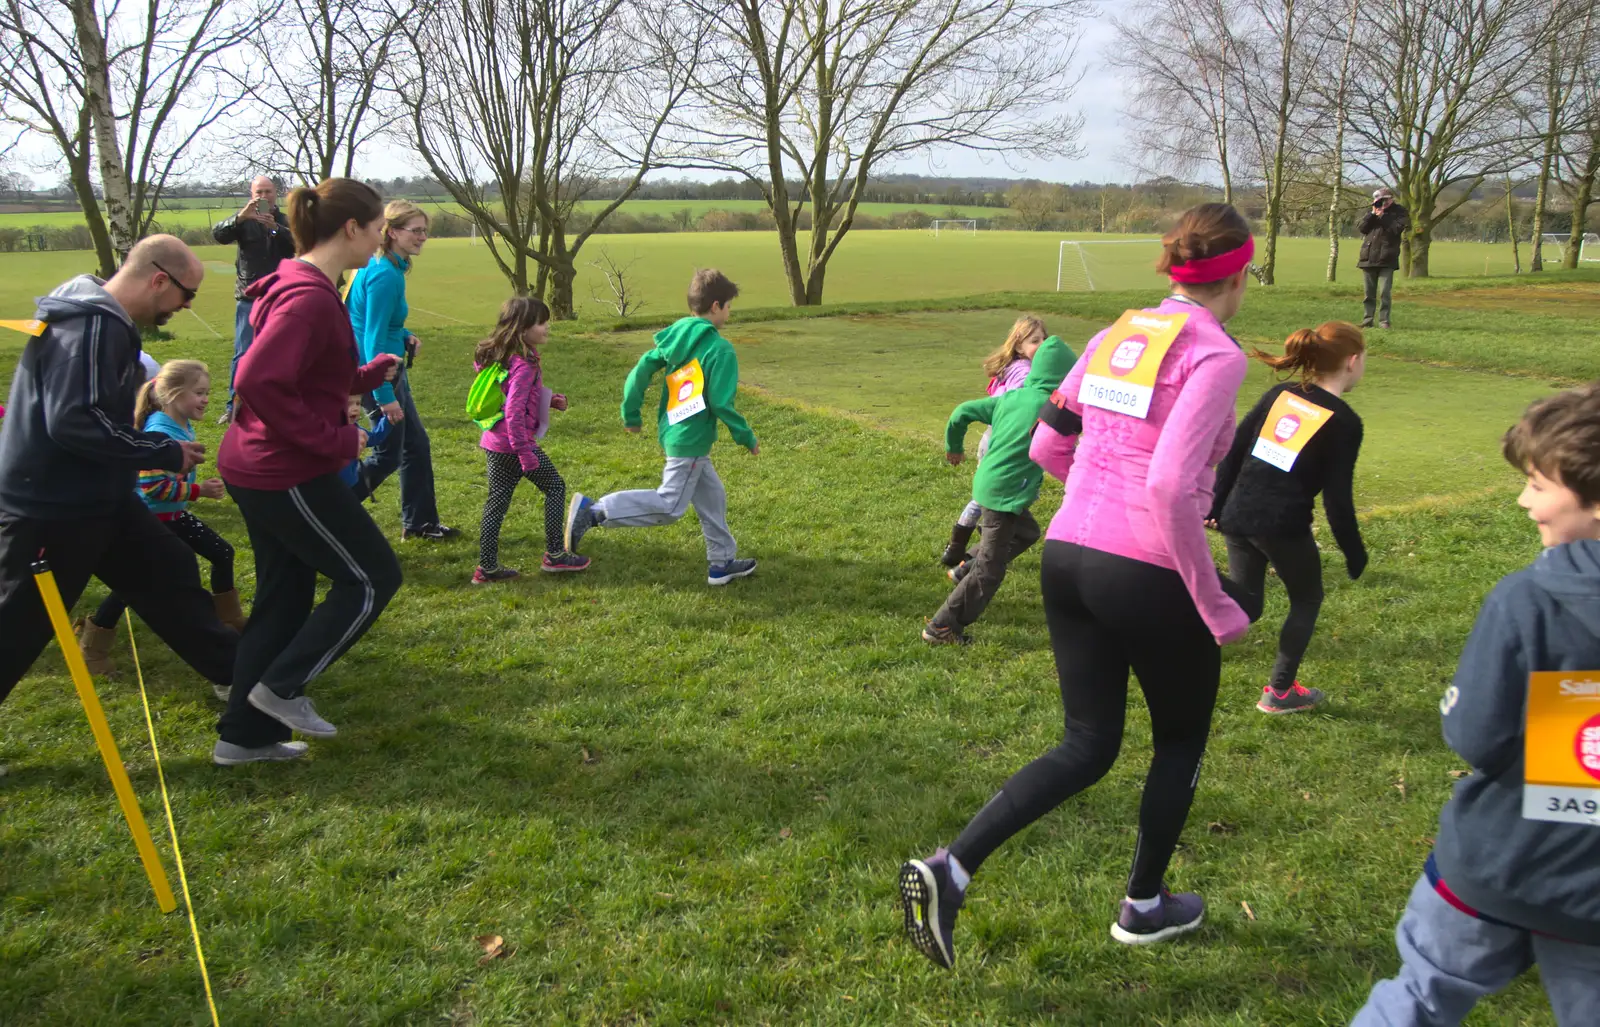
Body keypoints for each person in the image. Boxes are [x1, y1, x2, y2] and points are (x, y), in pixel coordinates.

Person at [898, 203, 1263, 969]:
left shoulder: (1113, 334)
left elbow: (1048, 442)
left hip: (1068, 553)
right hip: (1151, 568)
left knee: (1089, 742)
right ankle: (1144, 903)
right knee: (1180, 741)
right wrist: (1214, 597)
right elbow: (1168, 487)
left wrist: (1096, 505)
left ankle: (950, 869)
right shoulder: (1217, 354)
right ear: (1239, 273)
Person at [1351, 386, 1600, 1027]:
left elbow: (1476, 736)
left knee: (1421, 996)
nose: (1523, 499)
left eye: (1540, 485)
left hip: (1499, 865)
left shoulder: (1528, 600)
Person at [0, 236, 237, 733]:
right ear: (158, 279)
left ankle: (236, 677)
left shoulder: (100, 318)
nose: (188, 305)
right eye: (186, 294)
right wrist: (162, 450)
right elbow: (74, 421)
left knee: (169, 567)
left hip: (99, 498)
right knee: (20, 623)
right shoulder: (91, 324)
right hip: (51, 504)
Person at [215, 177, 404, 767]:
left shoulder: (299, 282)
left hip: (259, 465)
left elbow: (304, 375)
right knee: (372, 578)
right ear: (352, 229)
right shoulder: (310, 295)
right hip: (284, 470)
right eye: (377, 230)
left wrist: (368, 375)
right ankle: (283, 688)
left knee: (284, 599)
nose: (379, 241)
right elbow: (256, 380)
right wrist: (336, 439)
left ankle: (241, 738)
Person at [1209, 322, 1369, 714]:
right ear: (1352, 361)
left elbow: (1234, 452)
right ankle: (1280, 693)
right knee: (1307, 597)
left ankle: (1180, 593)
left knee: (1247, 605)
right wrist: (1355, 553)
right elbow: (1338, 501)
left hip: (1238, 513)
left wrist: (1215, 505)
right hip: (1281, 524)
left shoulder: (1281, 394)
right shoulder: (1345, 422)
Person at [564, 269, 759, 586]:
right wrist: (746, 436)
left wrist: (631, 413)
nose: (729, 312)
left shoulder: (674, 337)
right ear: (715, 306)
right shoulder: (719, 349)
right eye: (728, 306)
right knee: (670, 506)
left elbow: (640, 371)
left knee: (713, 496)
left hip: (673, 431)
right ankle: (596, 511)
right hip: (691, 439)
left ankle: (722, 563)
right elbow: (722, 403)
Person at [77, 360, 246, 684]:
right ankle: (93, 647)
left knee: (221, 553)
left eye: (207, 392)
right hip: (152, 521)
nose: (206, 399)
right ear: (171, 394)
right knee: (133, 588)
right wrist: (199, 491)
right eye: (199, 393)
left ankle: (230, 623)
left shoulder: (178, 423)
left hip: (174, 515)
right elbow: (151, 486)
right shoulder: (159, 431)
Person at [923, 335, 1077, 645]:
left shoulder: (1012, 398)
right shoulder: (1051, 407)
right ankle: (942, 627)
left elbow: (961, 412)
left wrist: (954, 447)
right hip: (1004, 495)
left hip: (987, 483)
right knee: (990, 573)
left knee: (1026, 532)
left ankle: (965, 567)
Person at [348, 200, 457, 540]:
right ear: (392, 232)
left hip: (388, 369)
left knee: (415, 447)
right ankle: (328, 513)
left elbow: (371, 321)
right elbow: (372, 338)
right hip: (379, 376)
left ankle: (420, 522)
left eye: (425, 230)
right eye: (416, 230)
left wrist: (405, 335)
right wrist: (383, 396)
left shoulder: (385, 266)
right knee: (387, 454)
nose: (423, 237)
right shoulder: (383, 274)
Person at [470, 297, 588, 583]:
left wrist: (551, 400)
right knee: (556, 488)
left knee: (496, 502)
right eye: (541, 322)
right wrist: (525, 452)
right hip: (516, 445)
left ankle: (486, 568)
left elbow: (513, 398)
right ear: (523, 329)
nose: (547, 327)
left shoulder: (505, 358)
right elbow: (513, 411)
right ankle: (555, 556)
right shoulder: (524, 365)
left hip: (494, 442)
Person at [940, 316, 1046, 567]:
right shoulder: (1025, 373)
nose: (1042, 344)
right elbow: (1018, 406)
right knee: (996, 501)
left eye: (1044, 339)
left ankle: (957, 549)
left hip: (992, 440)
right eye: (1034, 341)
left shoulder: (1011, 367)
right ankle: (973, 552)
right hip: (1004, 443)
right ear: (1019, 346)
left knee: (982, 499)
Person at [213, 175, 294, 423]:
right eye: (259, 192)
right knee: (244, 352)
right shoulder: (243, 220)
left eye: (268, 192)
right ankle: (233, 406)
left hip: (280, 295)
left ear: (276, 193)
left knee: (281, 351)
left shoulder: (283, 220)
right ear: (252, 194)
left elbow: (298, 244)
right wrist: (240, 218)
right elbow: (218, 234)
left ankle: (275, 403)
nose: (263, 197)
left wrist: (274, 228)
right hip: (249, 295)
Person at [1358, 187, 1408, 330]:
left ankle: (1384, 321)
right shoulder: (1373, 211)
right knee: (1369, 293)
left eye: (1384, 200)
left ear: (1391, 198)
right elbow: (1362, 228)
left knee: (1385, 292)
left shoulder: (1400, 212)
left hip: (1387, 258)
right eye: (1379, 200)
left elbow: (1396, 229)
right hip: (1368, 258)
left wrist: (1383, 216)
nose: (1382, 203)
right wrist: (1373, 214)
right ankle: (1367, 320)